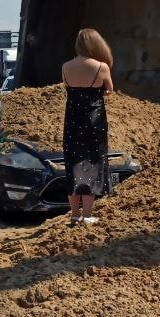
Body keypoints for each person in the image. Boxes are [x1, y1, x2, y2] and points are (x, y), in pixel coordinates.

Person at [61, 28, 113, 225]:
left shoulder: (66, 66)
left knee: (73, 165)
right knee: (93, 164)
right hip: (94, 120)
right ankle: (88, 215)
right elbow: (109, 90)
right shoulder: (101, 67)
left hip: (72, 120)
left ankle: (74, 215)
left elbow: (67, 87)